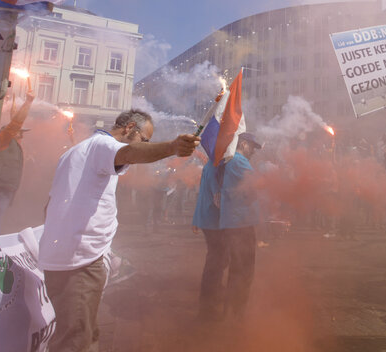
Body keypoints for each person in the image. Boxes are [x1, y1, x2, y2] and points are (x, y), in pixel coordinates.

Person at [39, 109, 199, 351]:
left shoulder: (77, 151)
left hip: (67, 257)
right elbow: (130, 152)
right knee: (76, 341)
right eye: (145, 139)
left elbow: (49, 206)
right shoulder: (103, 145)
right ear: (129, 127)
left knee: (84, 333)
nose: (145, 145)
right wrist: (172, 147)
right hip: (78, 261)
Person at [193, 132, 262, 320]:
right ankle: (230, 312)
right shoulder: (236, 161)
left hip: (226, 221)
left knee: (222, 263)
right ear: (244, 144)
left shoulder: (222, 161)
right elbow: (257, 185)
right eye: (253, 147)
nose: (254, 152)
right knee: (239, 267)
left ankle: (215, 306)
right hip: (238, 222)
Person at [0, 92, 35, 235]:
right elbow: (15, 124)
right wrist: (28, 102)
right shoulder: (3, 140)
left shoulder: (14, 145)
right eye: (19, 132)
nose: (21, 135)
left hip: (4, 191)